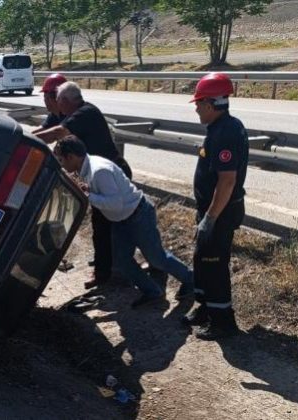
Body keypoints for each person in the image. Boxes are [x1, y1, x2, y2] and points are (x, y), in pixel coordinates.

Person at [53, 136, 194, 308]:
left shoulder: (99, 171)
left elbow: (115, 203)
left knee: (157, 258)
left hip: (137, 215)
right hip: (121, 220)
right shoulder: (86, 169)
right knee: (121, 260)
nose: (61, 165)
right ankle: (152, 291)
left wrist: (87, 196)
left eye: (61, 159)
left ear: (71, 157)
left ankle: (191, 280)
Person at [35, 81, 136, 290]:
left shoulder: (85, 113)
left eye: (58, 102)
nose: (57, 107)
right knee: (110, 223)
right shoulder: (72, 112)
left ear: (64, 101)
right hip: (101, 175)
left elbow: (58, 133)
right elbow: (48, 129)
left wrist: (25, 141)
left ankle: (105, 273)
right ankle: (114, 265)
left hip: (111, 173)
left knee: (111, 223)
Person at [183, 73, 248, 340]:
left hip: (220, 212)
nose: (196, 108)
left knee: (214, 262)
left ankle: (223, 323)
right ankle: (205, 307)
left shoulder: (226, 132)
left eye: (199, 103)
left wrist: (210, 218)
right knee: (202, 257)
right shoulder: (219, 128)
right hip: (211, 209)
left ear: (210, 104)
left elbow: (227, 180)